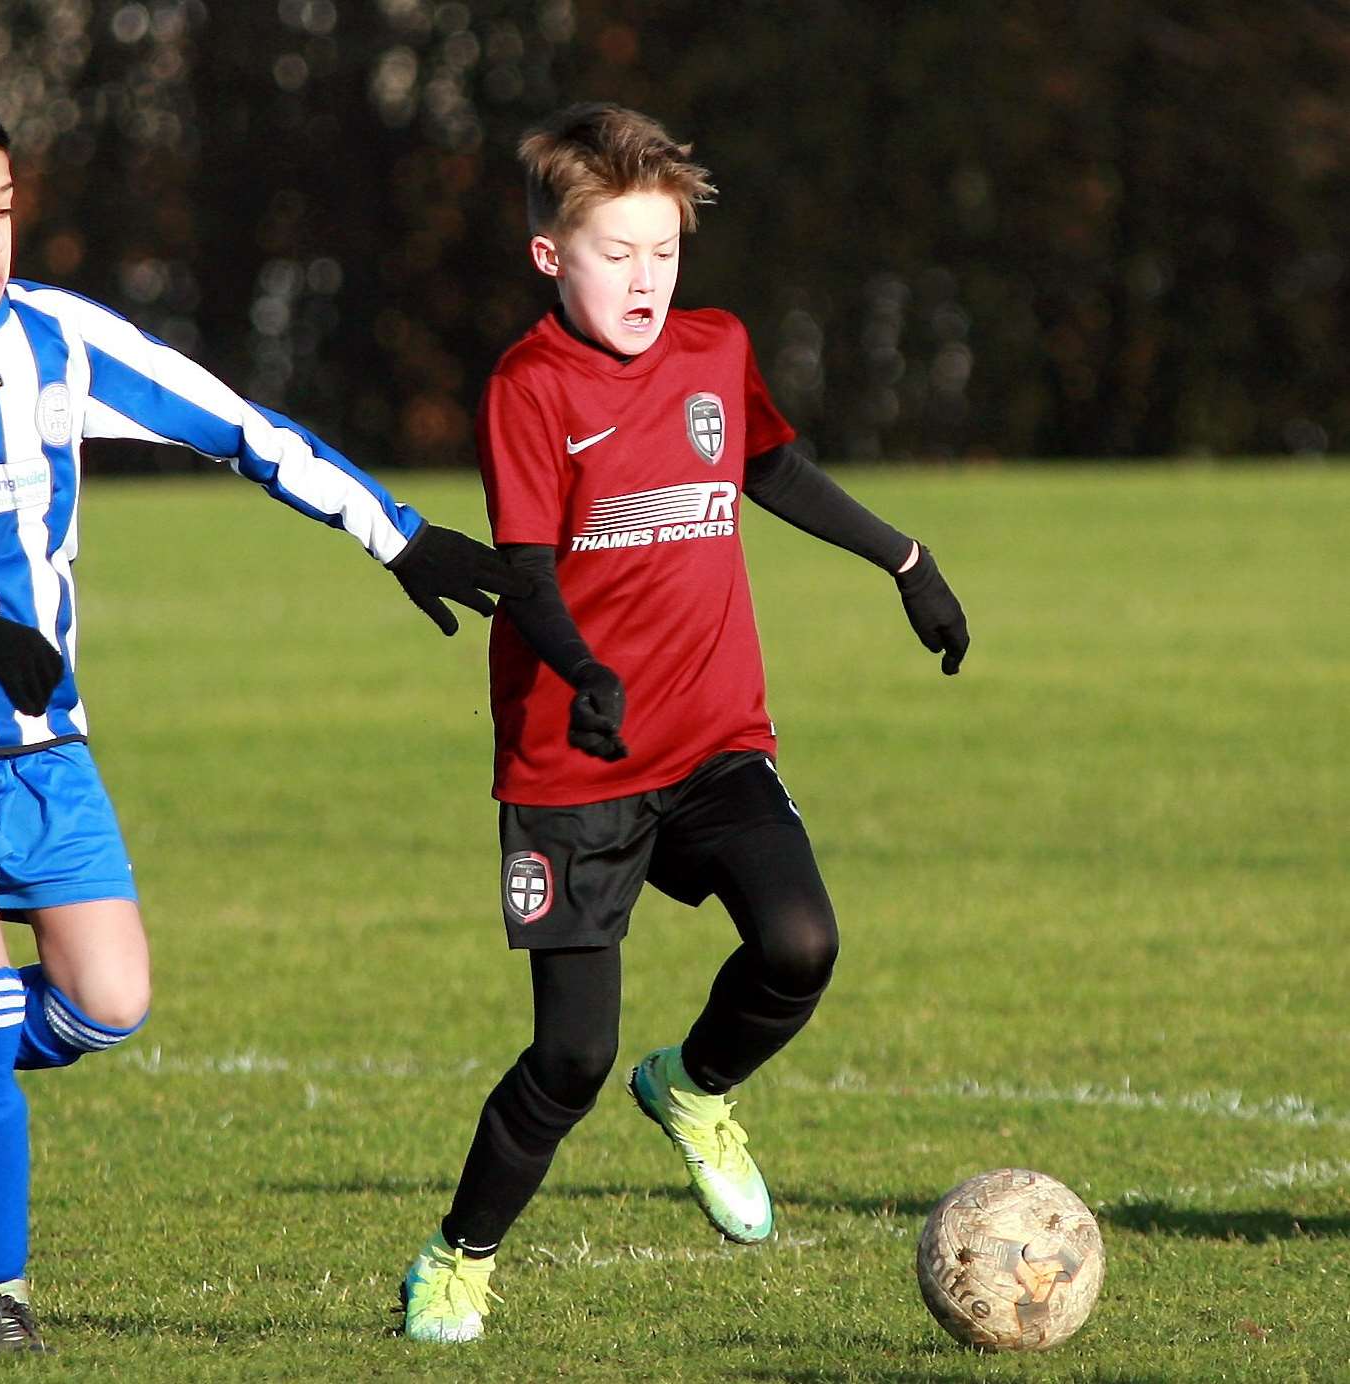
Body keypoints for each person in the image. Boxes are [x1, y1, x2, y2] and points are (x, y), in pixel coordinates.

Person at [0, 82, 524, 1359]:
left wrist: (393, 533)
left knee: (108, 1000)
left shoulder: (56, 339)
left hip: (48, 741)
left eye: (5, 209)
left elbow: (234, 425)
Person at [397, 103, 970, 1344]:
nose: (646, 278)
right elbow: (528, 571)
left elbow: (770, 467)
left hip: (716, 739)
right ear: (552, 256)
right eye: (617, 251)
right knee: (568, 1060)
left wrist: (906, 559)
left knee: (802, 943)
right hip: (574, 764)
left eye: (663, 250)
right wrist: (581, 672)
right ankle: (457, 1257)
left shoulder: (715, 349)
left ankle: (698, 1087)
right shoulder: (529, 384)